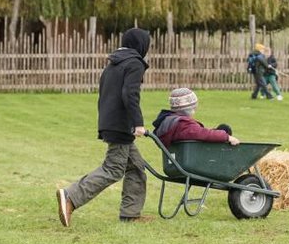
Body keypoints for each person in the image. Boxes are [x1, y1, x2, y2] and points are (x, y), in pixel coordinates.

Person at [56, 28, 151, 227]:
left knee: (136, 167)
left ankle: (130, 213)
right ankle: (71, 197)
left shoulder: (113, 64)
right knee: (114, 169)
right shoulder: (134, 63)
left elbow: (105, 94)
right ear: (141, 45)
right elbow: (129, 94)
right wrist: (137, 123)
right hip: (122, 125)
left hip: (110, 121)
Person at [151, 88, 240, 147]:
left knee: (223, 129)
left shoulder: (168, 121)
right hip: (195, 158)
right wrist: (227, 137)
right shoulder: (183, 124)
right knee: (224, 131)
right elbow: (202, 133)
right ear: (190, 108)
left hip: (185, 153)